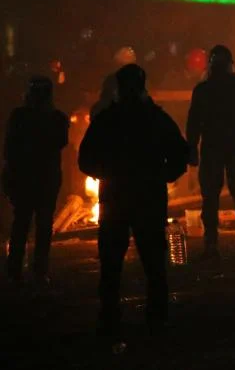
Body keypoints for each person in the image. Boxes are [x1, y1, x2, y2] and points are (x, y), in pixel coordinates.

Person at [79, 64, 188, 342]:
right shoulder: (155, 118)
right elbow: (179, 155)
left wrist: (107, 175)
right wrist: (163, 176)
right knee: (153, 262)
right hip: (148, 198)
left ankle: (110, 319)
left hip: (117, 199)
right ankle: (156, 319)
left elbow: (86, 160)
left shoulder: (107, 120)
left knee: (112, 263)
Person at [186, 45, 235, 260]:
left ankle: (212, 245)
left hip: (213, 149)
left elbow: (193, 124)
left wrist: (191, 149)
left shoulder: (203, 91)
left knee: (210, 198)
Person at [3, 76, 69, 284]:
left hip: (28, 177)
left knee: (22, 223)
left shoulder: (20, 116)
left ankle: (17, 269)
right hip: (43, 178)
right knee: (40, 225)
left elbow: (10, 149)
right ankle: (37, 270)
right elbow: (60, 143)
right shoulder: (56, 117)